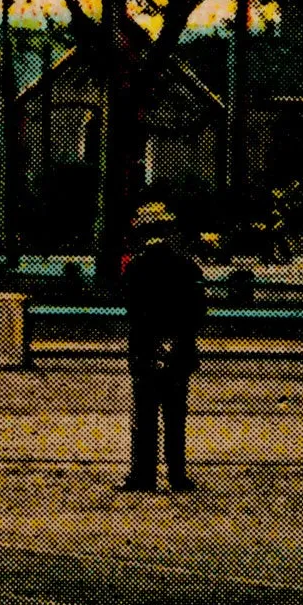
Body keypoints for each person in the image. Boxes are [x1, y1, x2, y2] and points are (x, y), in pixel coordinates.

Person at [120, 200, 206, 492]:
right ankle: (177, 474)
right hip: (179, 350)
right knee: (175, 417)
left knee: (144, 417)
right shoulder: (186, 267)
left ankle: (143, 475)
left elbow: (132, 310)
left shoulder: (136, 268)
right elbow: (198, 311)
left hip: (145, 349)